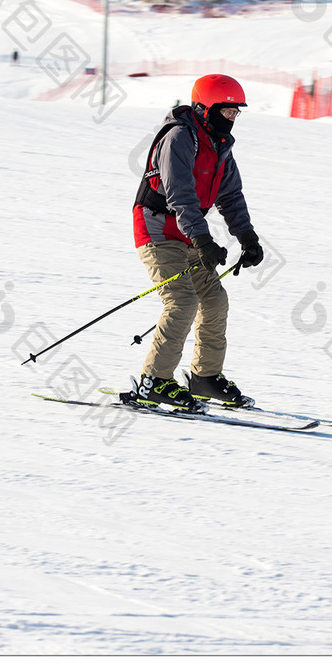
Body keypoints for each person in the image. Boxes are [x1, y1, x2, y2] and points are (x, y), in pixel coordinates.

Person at [133, 74, 264, 411]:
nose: (233, 119)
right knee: (181, 301)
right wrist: (203, 239)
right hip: (158, 228)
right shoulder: (179, 138)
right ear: (206, 108)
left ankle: (205, 377)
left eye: (237, 113)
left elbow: (230, 196)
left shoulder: (220, 146)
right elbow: (180, 196)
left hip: (187, 231)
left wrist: (247, 237)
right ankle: (155, 381)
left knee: (214, 300)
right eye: (227, 111)